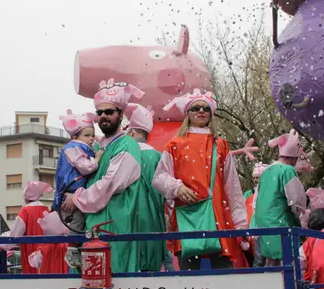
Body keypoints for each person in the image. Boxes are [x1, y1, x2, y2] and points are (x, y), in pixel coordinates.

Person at [153, 89, 252, 270]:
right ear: (187, 114)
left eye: (205, 108)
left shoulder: (220, 144)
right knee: (188, 276)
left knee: (223, 274)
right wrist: (177, 188)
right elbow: (159, 178)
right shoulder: (174, 144)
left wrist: (240, 224)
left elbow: (233, 187)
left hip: (219, 217)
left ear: (211, 114)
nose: (201, 111)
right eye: (196, 108)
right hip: (187, 216)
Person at [61, 79, 145, 273]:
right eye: (100, 113)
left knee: (112, 278)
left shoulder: (127, 146)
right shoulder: (98, 147)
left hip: (113, 232)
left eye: (109, 112)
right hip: (91, 232)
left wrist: (77, 198)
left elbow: (109, 185)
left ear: (121, 115)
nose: (104, 116)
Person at [54, 109, 101, 267]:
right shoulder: (74, 148)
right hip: (72, 193)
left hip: (72, 191)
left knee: (78, 222)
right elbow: (85, 167)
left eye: (92, 135)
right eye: (87, 135)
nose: (91, 139)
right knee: (77, 222)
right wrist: (97, 159)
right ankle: (72, 251)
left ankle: (75, 249)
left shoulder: (74, 147)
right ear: (75, 136)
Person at [253, 129, 308, 266]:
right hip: (281, 225)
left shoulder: (266, 172)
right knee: (288, 266)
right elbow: (297, 201)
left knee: (271, 265)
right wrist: (301, 216)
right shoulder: (288, 170)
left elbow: (258, 199)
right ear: (294, 157)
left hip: (264, 226)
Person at [124, 103, 167, 272]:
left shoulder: (124, 154)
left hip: (127, 213)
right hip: (152, 216)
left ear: (133, 132)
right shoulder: (157, 155)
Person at [2, 181, 53, 274]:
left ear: (26, 197)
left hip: (30, 255)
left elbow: (15, 235)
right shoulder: (46, 210)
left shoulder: (25, 211)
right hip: (46, 254)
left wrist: (2, 245)